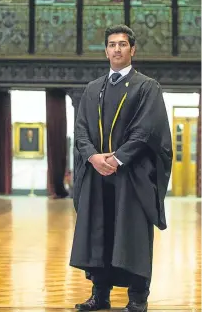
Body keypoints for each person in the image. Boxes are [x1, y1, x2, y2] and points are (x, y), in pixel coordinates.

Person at [70, 24, 173, 312]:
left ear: (132, 50)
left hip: (132, 177)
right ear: (106, 50)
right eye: (112, 44)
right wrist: (93, 158)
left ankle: (137, 298)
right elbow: (80, 132)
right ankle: (99, 294)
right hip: (97, 176)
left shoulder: (147, 87)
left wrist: (115, 160)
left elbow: (146, 131)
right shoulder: (92, 90)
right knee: (98, 233)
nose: (117, 49)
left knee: (133, 235)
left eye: (122, 44)